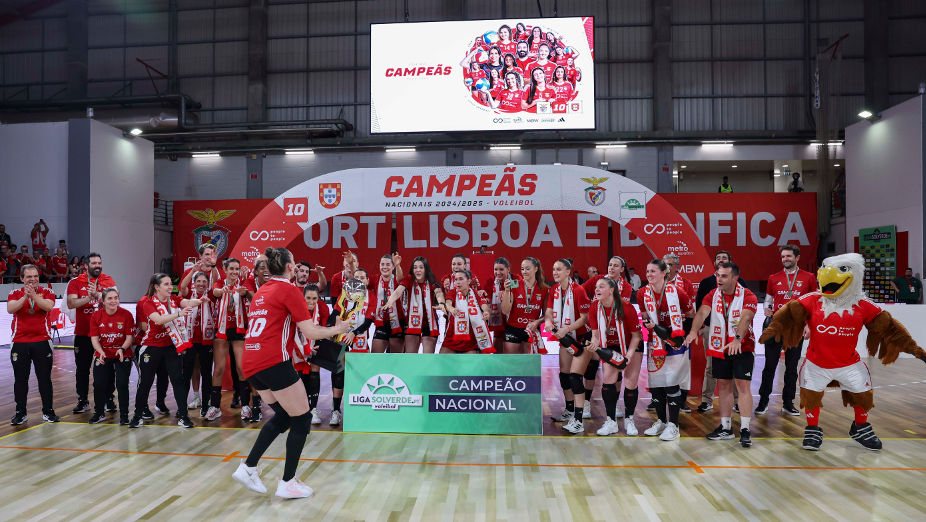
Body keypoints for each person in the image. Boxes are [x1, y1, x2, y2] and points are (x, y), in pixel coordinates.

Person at [232, 247, 350, 499]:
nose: (296, 265)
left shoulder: (262, 291)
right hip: (273, 361)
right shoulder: (288, 289)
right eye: (294, 262)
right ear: (288, 267)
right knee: (303, 419)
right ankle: (287, 482)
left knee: (286, 416)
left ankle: (248, 466)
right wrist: (338, 328)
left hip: (251, 362)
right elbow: (310, 332)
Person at [685, 262, 758, 448]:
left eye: (724, 276)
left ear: (735, 278)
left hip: (743, 347)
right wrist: (694, 330)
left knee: (742, 386)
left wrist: (737, 339)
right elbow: (702, 313)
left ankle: (745, 429)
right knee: (723, 386)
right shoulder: (713, 294)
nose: (719, 279)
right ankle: (726, 428)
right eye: (718, 275)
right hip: (719, 347)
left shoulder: (748, 295)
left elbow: (746, 317)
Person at [129, 273, 204, 428]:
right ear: (157, 287)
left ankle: (183, 416)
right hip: (151, 347)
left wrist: (200, 300)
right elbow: (158, 320)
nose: (171, 287)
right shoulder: (148, 303)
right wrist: (178, 314)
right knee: (145, 382)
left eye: (171, 284)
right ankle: (137, 416)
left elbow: (188, 301)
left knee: (178, 380)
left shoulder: (174, 300)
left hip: (170, 347)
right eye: (167, 284)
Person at [756, 245, 817, 416]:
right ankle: (763, 401)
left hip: (796, 328)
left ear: (797, 257)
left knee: (791, 367)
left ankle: (788, 403)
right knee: (769, 366)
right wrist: (767, 309)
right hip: (777, 327)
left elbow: (814, 304)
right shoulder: (773, 278)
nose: (785, 259)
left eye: (789, 256)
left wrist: (809, 325)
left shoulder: (809, 277)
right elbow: (768, 300)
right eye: (783, 257)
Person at [637, 259, 693, 441]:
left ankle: (674, 425)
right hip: (655, 342)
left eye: (653, 271)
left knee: (672, 382)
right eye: (647, 271)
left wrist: (680, 335)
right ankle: (661, 421)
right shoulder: (642, 293)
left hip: (675, 341)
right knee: (656, 383)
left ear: (664, 273)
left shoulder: (678, 291)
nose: (649, 274)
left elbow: (691, 314)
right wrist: (651, 326)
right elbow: (645, 318)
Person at [588, 277, 643, 436]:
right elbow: (595, 335)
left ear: (611, 290)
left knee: (631, 381)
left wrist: (628, 357)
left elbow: (636, 336)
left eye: (601, 287)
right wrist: (594, 344)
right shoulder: (594, 307)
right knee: (608, 381)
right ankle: (611, 421)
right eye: (596, 287)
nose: (597, 290)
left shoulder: (626, 307)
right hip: (610, 346)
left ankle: (630, 419)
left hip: (631, 344)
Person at [7, 264, 59, 425]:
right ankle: (20, 413)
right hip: (19, 342)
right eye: (29, 277)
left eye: (35, 276)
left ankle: (48, 412)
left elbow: (48, 306)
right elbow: (10, 309)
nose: (33, 279)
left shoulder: (47, 292)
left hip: (42, 341)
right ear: (22, 278)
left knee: (44, 379)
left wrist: (34, 296)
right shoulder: (14, 293)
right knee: (20, 380)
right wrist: (25, 297)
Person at [544, 259, 591, 432]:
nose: (555, 272)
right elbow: (549, 311)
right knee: (564, 376)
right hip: (565, 337)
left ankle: (578, 421)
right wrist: (549, 321)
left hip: (581, 337)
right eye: (553, 269)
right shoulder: (555, 289)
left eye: (559, 269)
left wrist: (567, 329)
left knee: (575, 377)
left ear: (568, 272)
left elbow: (585, 317)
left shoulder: (578, 290)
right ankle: (569, 410)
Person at [67, 253, 117, 415]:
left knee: (107, 368)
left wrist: (98, 296)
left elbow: (114, 303)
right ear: (86, 266)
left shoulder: (108, 281)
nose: (98, 265)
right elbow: (71, 302)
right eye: (94, 263)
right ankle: (83, 400)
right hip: (83, 334)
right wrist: (88, 298)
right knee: (82, 369)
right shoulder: (75, 282)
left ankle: (109, 399)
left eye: (100, 263)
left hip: (105, 335)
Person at [205, 258, 254, 422]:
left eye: (237, 269)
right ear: (225, 269)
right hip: (222, 329)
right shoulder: (220, 282)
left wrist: (245, 293)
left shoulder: (244, 283)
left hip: (239, 329)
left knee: (241, 367)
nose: (234, 272)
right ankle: (215, 406)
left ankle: (246, 405)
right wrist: (223, 291)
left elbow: (253, 297)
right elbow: (215, 293)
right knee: (218, 369)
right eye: (231, 268)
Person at [88, 287, 135, 425]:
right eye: (110, 298)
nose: (113, 301)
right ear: (103, 301)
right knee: (99, 383)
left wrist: (122, 348)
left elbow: (129, 338)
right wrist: (101, 352)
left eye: (116, 298)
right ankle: (99, 413)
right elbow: (94, 339)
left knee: (122, 384)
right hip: (103, 354)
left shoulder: (126, 314)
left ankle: (124, 415)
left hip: (122, 353)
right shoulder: (96, 316)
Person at [381, 256, 445, 354]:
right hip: (412, 322)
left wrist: (441, 303)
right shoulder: (409, 279)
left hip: (430, 324)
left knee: (427, 358)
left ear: (425, 269)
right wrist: (390, 301)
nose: (418, 270)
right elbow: (398, 291)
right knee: (410, 356)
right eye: (415, 267)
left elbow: (439, 292)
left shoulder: (431, 279)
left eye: (421, 267)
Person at [294, 284, 337, 426]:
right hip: (296, 343)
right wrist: (304, 348)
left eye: (314, 298)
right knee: (300, 374)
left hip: (315, 341)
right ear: (302, 297)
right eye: (308, 298)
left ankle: (313, 409)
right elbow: (293, 333)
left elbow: (324, 329)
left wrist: (319, 345)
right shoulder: (296, 307)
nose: (311, 302)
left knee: (315, 369)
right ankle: (300, 409)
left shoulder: (323, 308)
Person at [662, 253, 695, 412]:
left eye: (669, 264)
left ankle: (681, 401)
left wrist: (688, 333)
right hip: (660, 331)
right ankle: (658, 399)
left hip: (680, 330)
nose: (666, 267)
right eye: (664, 264)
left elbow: (691, 311)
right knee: (660, 365)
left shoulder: (685, 284)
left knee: (681, 366)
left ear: (677, 267)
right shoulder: (656, 281)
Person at [500, 257, 548, 354]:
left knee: (529, 366)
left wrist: (538, 322)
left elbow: (547, 314)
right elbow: (505, 311)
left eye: (527, 268)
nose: (524, 272)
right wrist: (507, 291)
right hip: (513, 329)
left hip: (532, 330)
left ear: (536, 269)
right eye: (522, 269)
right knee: (512, 365)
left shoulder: (544, 289)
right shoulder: (514, 285)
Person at [440, 270, 492, 354]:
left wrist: (486, 312)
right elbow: (448, 304)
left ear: (469, 281)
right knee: (442, 361)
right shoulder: (452, 292)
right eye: (456, 279)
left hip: (470, 340)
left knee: (469, 364)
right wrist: (452, 309)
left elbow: (484, 305)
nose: (457, 282)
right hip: (452, 338)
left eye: (461, 279)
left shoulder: (476, 294)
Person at [188, 272, 216, 418]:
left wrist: (213, 267)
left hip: (207, 340)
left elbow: (216, 280)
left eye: (204, 281)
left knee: (206, 371)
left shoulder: (210, 294)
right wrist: (193, 271)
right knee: (194, 368)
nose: (201, 284)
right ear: (194, 282)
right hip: (191, 339)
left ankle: (206, 402)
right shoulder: (189, 296)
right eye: (198, 281)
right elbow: (181, 288)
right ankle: (196, 396)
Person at [371, 253, 405, 353]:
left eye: (388, 264)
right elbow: (360, 280)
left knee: (395, 360)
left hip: (398, 322)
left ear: (392, 267)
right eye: (382, 264)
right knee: (376, 357)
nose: (384, 267)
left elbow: (400, 279)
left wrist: (398, 265)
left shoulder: (396, 279)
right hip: (381, 322)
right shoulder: (374, 279)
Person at [487, 257, 513, 353]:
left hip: (513, 322)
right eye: (495, 269)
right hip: (499, 322)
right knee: (497, 352)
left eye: (501, 269)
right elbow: (487, 300)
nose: (498, 272)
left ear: (508, 269)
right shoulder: (490, 282)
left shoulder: (516, 279)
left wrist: (507, 293)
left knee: (511, 354)